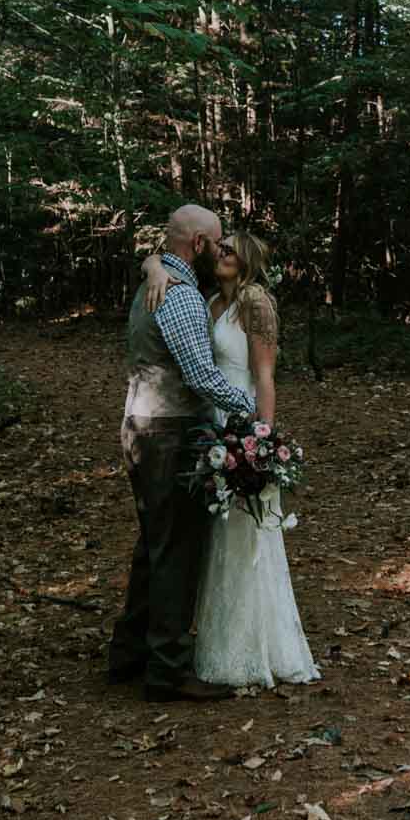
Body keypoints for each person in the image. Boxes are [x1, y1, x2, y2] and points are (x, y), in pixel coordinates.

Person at [143, 232, 319, 689]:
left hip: (242, 425)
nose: (220, 253)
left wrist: (262, 439)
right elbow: (153, 260)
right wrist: (153, 265)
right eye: (218, 247)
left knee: (248, 538)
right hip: (210, 425)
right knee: (216, 540)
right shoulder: (208, 301)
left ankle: (255, 648)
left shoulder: (256, 303)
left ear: (246, 261)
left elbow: (265, 377)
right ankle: (216, 644)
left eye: (229, 249)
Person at [106, 204, 259, 703]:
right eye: (215, 244)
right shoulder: (181, 297)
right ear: (197, 244)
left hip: (141, 424)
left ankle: (129, 654)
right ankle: (167, 671)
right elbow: (200, 376)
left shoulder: (155, 281)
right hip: (169, 432)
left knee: (154, 544)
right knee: (176, 549)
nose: (219, 252)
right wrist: (250, 410)